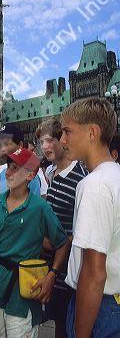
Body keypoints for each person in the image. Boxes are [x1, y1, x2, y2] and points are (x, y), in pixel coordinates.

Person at [0, 148, 69, 338]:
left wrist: (52, 275)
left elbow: (62, 243)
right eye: (9, 166)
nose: (8, 172)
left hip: (24, 288)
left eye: (16, 168)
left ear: (30, 175)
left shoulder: (39, 208)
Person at [60, 98, 120, 337]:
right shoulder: (114, 175)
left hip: (98, 309)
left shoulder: (94, 185)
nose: (63, 140)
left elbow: (94, 274)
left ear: (92, 132)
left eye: (67, 132)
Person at [35, 117, 87, 338]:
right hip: (48, 269)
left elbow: (79, 233)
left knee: (66, 328)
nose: (44, 147)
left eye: (49, 140)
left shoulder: (81, 179)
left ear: (62, 140)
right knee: (54, 323)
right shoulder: (50, 174)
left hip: (66, 275)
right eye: (41, 142)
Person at [0, 124, 41, 198]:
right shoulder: (0, 172)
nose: (2, 149)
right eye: (0, 145)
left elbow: (35, 207)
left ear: (20, 145)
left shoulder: (29, 175)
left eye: (6, 144)